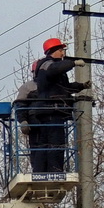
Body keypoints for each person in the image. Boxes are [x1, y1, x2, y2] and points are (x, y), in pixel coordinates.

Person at [31, 37, 90, 173]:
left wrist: (81, 86)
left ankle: (41, 171)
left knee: (45, 145)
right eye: (60, 50)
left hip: (50, 111)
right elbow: (55, 69)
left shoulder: (52, 69)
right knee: (55, 144)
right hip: (51, 111)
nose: (63, 53)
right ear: (52, 51)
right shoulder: (46, 64)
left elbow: (64, 88)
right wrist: (73, 63)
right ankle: (55, 171)